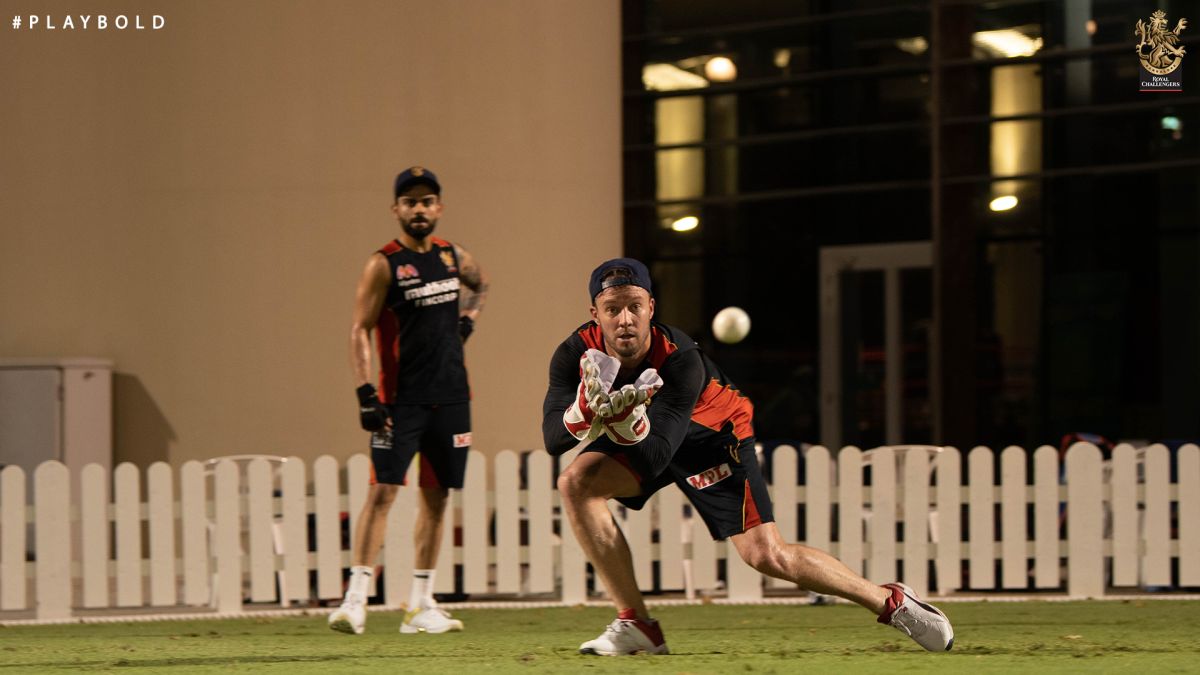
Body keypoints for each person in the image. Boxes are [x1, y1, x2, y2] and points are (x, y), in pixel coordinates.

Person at [542, 257, 953, 656]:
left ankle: (890, 600)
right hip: (648, 431)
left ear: (651, 307)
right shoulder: (573, 353)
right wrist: (582, 415)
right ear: (595, 313)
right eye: (613, 309)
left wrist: (622, 423)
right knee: (575, 484)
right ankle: (638, 626)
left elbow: (657, 455)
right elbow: (553, 439)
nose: (625, 319)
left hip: (713, 434)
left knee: (766, 555)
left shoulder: (681, 358)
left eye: (634, 306)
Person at [329, 166, 488, 636]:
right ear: (396, 209)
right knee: (382, 493)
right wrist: (364, 391)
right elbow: (359, 327)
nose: (419, 209)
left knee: (437, 499)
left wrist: (469, 320)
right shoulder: (385, 263)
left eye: (427, 201)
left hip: (453, 397)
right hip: (401, 401)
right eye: (410, 202)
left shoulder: (453, 256)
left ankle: (420, 605)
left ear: (439, 207)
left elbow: (482, 284)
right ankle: (354, 600)